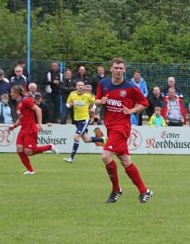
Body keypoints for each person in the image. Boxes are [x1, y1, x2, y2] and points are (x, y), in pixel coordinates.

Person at [95, 57, 153, 204]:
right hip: (110, 126)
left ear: (124, 70)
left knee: (105, 156)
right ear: (111, 69)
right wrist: (99, 102)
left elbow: (145, 103)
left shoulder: (131, 87)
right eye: (116, 68)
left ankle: (116, 190)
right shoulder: (104, 83)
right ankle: (144, 191)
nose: (118, 71)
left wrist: (131, 110)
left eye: (121, 68)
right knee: (125, 160)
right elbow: (96, 99)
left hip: (122, 127)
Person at [9, 85, 58, 174]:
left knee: (29, 152)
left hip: (30, 129)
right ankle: (30, 170)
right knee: (19, 149)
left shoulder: (26, 100)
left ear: (16, 92)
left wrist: (39, 124)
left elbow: (38, 109)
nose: (10, 94)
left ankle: (49, 146)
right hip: (23, 129)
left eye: (12, 92)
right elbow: (21, 117)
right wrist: (14, 126)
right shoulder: (19, 103)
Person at [63, 81, 104, 163]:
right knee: (86, 139)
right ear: (76, 86)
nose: (80, 87)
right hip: (76, 119)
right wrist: (69, 105)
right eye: (79, 85)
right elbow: (67, 104)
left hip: (84, 119)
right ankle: (103, 139)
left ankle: (71, 158)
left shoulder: (87, 95)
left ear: (84, 87)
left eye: (82, 85)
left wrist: (93, 108)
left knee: (76, 136)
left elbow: (95, 102)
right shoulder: (72, 94)